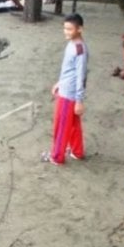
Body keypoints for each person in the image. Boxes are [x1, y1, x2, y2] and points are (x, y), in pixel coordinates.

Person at [42, 13, 88, 165]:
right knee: (73, 125)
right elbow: (68, 70)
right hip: (65, 87)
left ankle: (56, 156)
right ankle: (77, 151)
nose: (66, 32)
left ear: (79, 29)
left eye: (70, 29)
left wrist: (79, 101)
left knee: (61, 125)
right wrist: (59, 83)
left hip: (69, 94)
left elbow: (81, 75)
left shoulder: (80, 49)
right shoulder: (71, 44)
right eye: (65, 28)